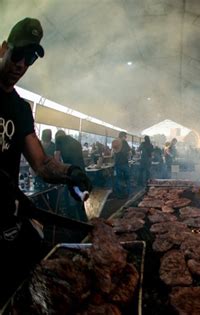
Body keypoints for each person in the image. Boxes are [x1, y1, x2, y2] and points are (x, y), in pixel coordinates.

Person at [0, 17, 92, 304]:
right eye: (18, 54)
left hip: (4, 221)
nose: (20, 65)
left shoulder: (20, 108)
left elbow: (41, 164)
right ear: (4, 47)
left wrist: (70, 172)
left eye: (29, 60)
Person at [113, 131, 131, 197]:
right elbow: (129, 151)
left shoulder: (115, 141)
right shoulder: (124, 142)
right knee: (127, 178)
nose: (126, 138)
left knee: (119, 179)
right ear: (123, 136)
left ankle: (120, 194)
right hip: (124, 163)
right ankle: (127, 192)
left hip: (117, 163)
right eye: (125, 136)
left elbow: (114, 152)